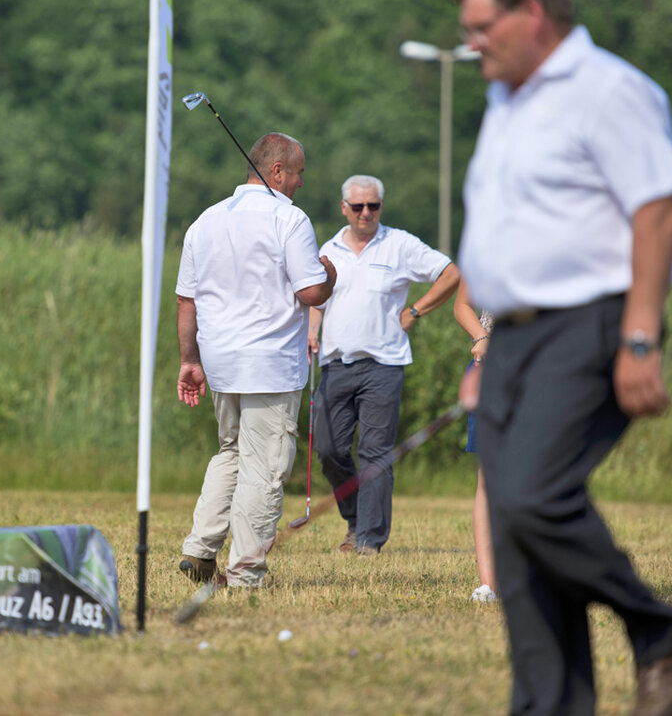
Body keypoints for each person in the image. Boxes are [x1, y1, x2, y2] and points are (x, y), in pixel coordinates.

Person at [454, 0, 672, 713]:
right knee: (511, 527)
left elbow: (657, 212)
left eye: (481, 28)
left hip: (590, 323)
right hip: (509, 337)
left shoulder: (611, 91)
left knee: (534, 494)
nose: (473, 44)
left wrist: (639, 337)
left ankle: (661, 633)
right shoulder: (509, 100)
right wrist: (487, 356)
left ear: (529, 12)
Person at [175, 132, 336, 588]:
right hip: (270, 363)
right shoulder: (290, 219)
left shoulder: (204, 220)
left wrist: (190, 360)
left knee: (231, 453)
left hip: (222, 361)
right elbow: (309, 292)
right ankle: (246, 573)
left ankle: (200, 549)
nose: (301, 183)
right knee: (263, 466)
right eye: (299, 173)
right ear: (278, 172)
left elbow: (187, 301)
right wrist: (331, 276)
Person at [307, 175, 459, 555]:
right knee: (329, 448)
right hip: (335, 362)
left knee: (375, 453)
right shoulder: (328, 250)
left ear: (381, 207)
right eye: (357, 206)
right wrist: (312, 330)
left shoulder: (400, 244)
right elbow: (316, 300)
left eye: (373, 206)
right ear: (344, 208)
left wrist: (416, 310)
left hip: (384, 364)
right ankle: (356, 517)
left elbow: (451, 273)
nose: (365, 213)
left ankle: (368, 541)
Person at [452, 281, 497, 603]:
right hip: (491, 368)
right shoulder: (489, 235)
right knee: (489, 481)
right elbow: (462, 304)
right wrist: (482, 336)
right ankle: (490, 584)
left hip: (548, 368)